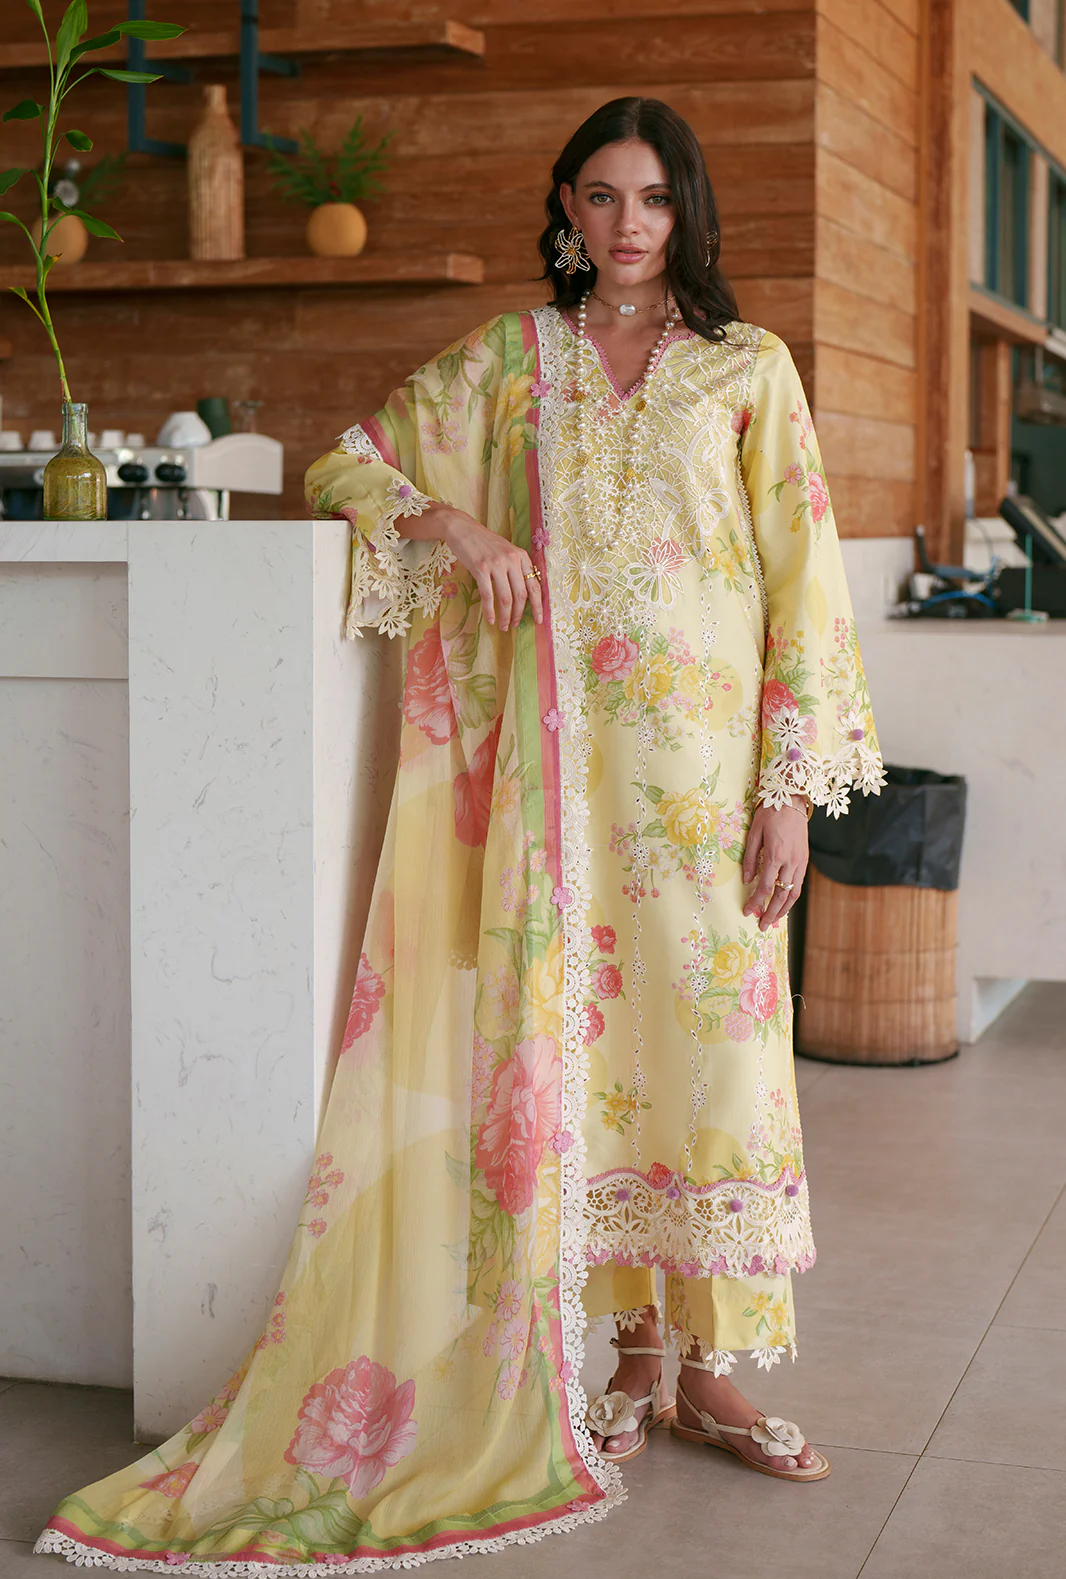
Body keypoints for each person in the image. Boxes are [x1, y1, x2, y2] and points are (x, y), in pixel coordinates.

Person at [35, 97, 884, 1572]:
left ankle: (714, 1372)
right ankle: (628, 1363)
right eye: (602, 196)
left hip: (700, 791)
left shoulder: (748, 367)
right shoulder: (511, 362)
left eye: (653, 199)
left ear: (687, 212)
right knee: (590, 1069)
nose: (628, 225)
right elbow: (347, 463)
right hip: (557, 786)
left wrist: (784, 794)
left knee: (716, 1062)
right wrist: (457, 529)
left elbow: (801, 583)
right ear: (566, 209)